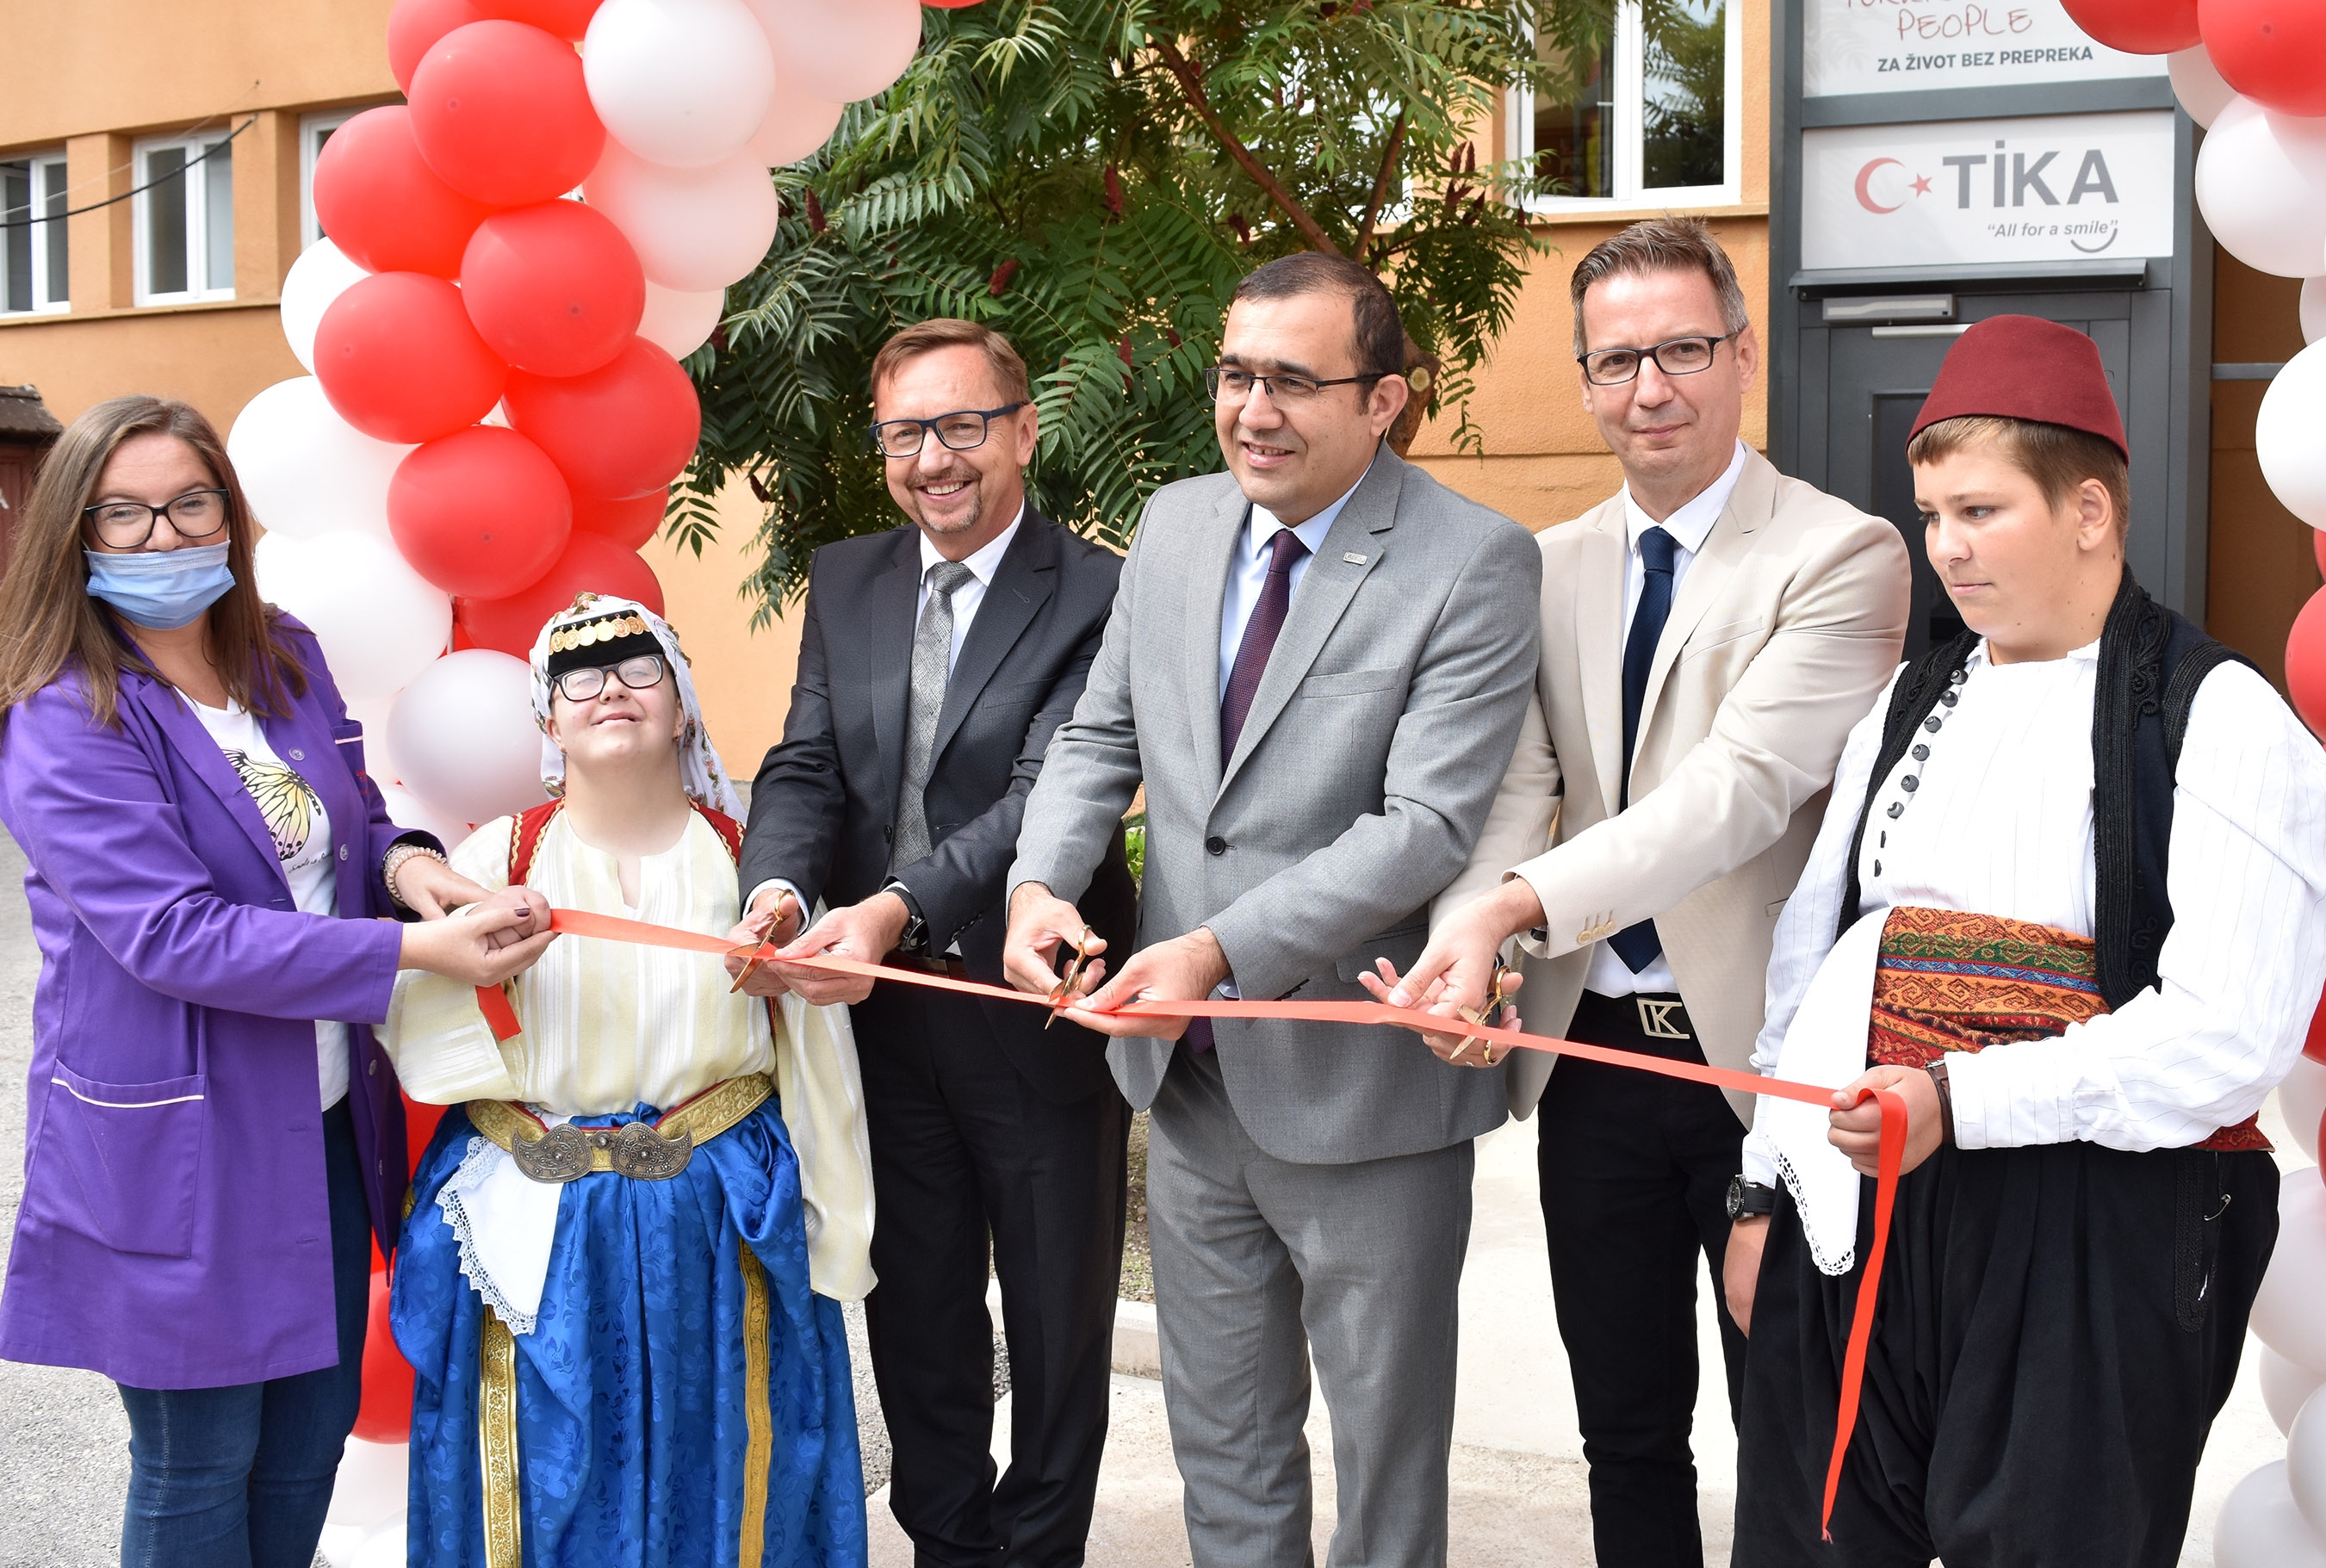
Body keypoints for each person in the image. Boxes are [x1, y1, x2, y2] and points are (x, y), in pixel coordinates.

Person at [1727, 315, 2326, 1566]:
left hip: (2090, 1221)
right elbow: (1815, 948)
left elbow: (2226, 1030)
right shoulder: (1909, 700)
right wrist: (1765, 1180)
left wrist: (1967, 1095)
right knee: (1817, 1541)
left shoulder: (2222, 718)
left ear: (2090, 511)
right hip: (1863, 1197)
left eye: (1982, 510)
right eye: (1932, 513)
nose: (1946, 547)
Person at [1368, 219, 1909, 1567]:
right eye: (1616, 361)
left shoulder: (1843, 555)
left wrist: (1509, 910)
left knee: (1784, 1428)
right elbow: (1512, 796)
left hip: (1759, 1070)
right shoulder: (1544, 568)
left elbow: (1732, 795)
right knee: (1623, 1428)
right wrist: (1467, 956)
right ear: (1585, 376)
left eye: (1680, 350)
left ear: (1743, 356)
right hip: (1591, 1060)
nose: (1649, 388)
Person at [1002, 251, 1544, 1568]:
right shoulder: (1180, 526)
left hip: (1367, 1098)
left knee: (1385, 1471)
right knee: (1226, 1451)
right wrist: (1038, 884)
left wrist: (1211, 949)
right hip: (1185, 1091)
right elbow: (1099, 735)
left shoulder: (1472, 561)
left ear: (1388, 401)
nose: (1255, 408)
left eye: (1296, 380)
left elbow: (1423, 826)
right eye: (1237, 374)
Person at [0, 396, 549, 1568]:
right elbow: (174, 936)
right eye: (125, 513)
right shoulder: (64, 716)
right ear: (76, 532)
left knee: (308, 1440)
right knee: (199, 1465)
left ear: (229, 516)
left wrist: (409, 871)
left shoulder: (282, 654)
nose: (162, 535)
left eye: (190, 503)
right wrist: (411, 953)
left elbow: (353, 814)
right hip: (179, 1143)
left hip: (322, 1122)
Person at [727, 317, 1137, 1568]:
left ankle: (1039, 1552)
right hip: (881, 1019)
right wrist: (780, 893)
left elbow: (1046, 789)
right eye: (906, 431)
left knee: (1060, 1325)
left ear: (1023, 430)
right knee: (917, 1313)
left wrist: (896, 906)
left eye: (963, 425)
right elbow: (804, 764)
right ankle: (947, 1545)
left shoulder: (1102, 592)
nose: (934, 458)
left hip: (1036, 1007)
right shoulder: (847, 578)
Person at [381, 594, 874, 1568]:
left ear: (684, 704)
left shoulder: (755, 872)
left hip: (712, 1224)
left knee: (724, 1461)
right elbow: (419, 1032)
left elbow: (822, 1064)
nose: (609, 687)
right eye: (578, 673)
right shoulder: (493, 858)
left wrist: (837, 1226)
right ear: (547, 718)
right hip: (540, 1228)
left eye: (639, 666)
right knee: (545, 1479)